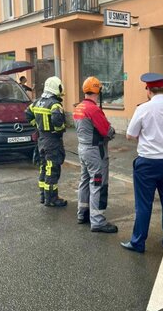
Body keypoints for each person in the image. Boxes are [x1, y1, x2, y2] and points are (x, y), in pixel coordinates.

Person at [121, 73, 163, 254]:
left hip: (148, 163)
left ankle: (138, 242)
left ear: (148, 90)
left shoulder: (143, 109)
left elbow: (130, 135)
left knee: (144, 204)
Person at [73, 76, 118, 234]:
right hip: (95, 151)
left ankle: (82, 213)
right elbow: (107, 131)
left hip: (83, 149)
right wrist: (112, 132)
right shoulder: (93, 109)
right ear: (97, 90)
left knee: (85, 181)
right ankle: (98, 221)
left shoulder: (79, 107)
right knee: (98, 184)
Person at [25, 76, 67, 208]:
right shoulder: (55, 104)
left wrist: (37, 125)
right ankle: (52, 199)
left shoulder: (37, 102)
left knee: (44, 168)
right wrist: (59, 130)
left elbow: (27, 113)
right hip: (52, 141)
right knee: (52, 170)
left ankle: (43, 196)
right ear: (56, 87)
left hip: (42, 140)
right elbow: (57, 121)